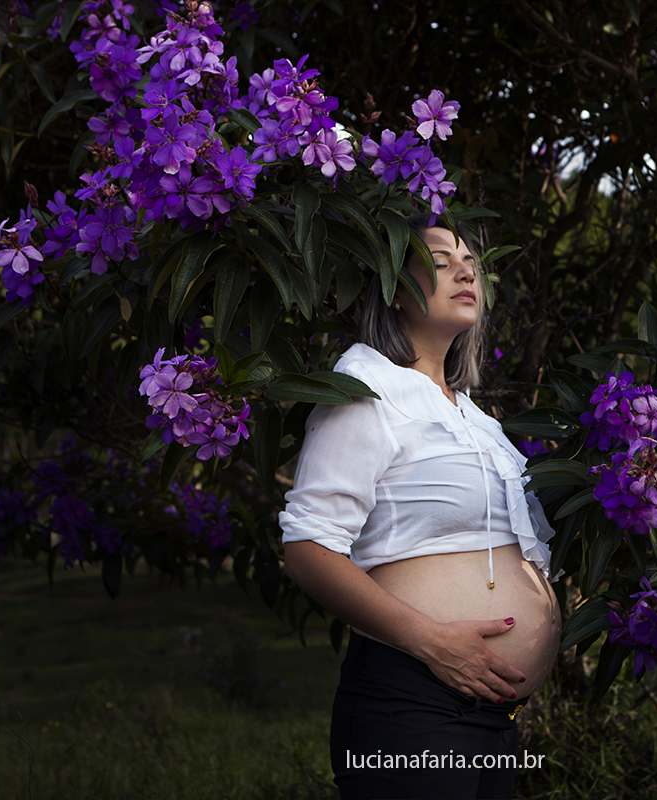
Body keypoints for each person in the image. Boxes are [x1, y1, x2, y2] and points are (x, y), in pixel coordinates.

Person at [279, 213, 561, 799]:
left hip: (491, 721)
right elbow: (307, 549)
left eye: (470, 263)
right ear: (391, 289)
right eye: (438, 262)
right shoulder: (364, 389)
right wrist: (430, 640)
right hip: (412, 704)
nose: (464, 271)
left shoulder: (477, 419)